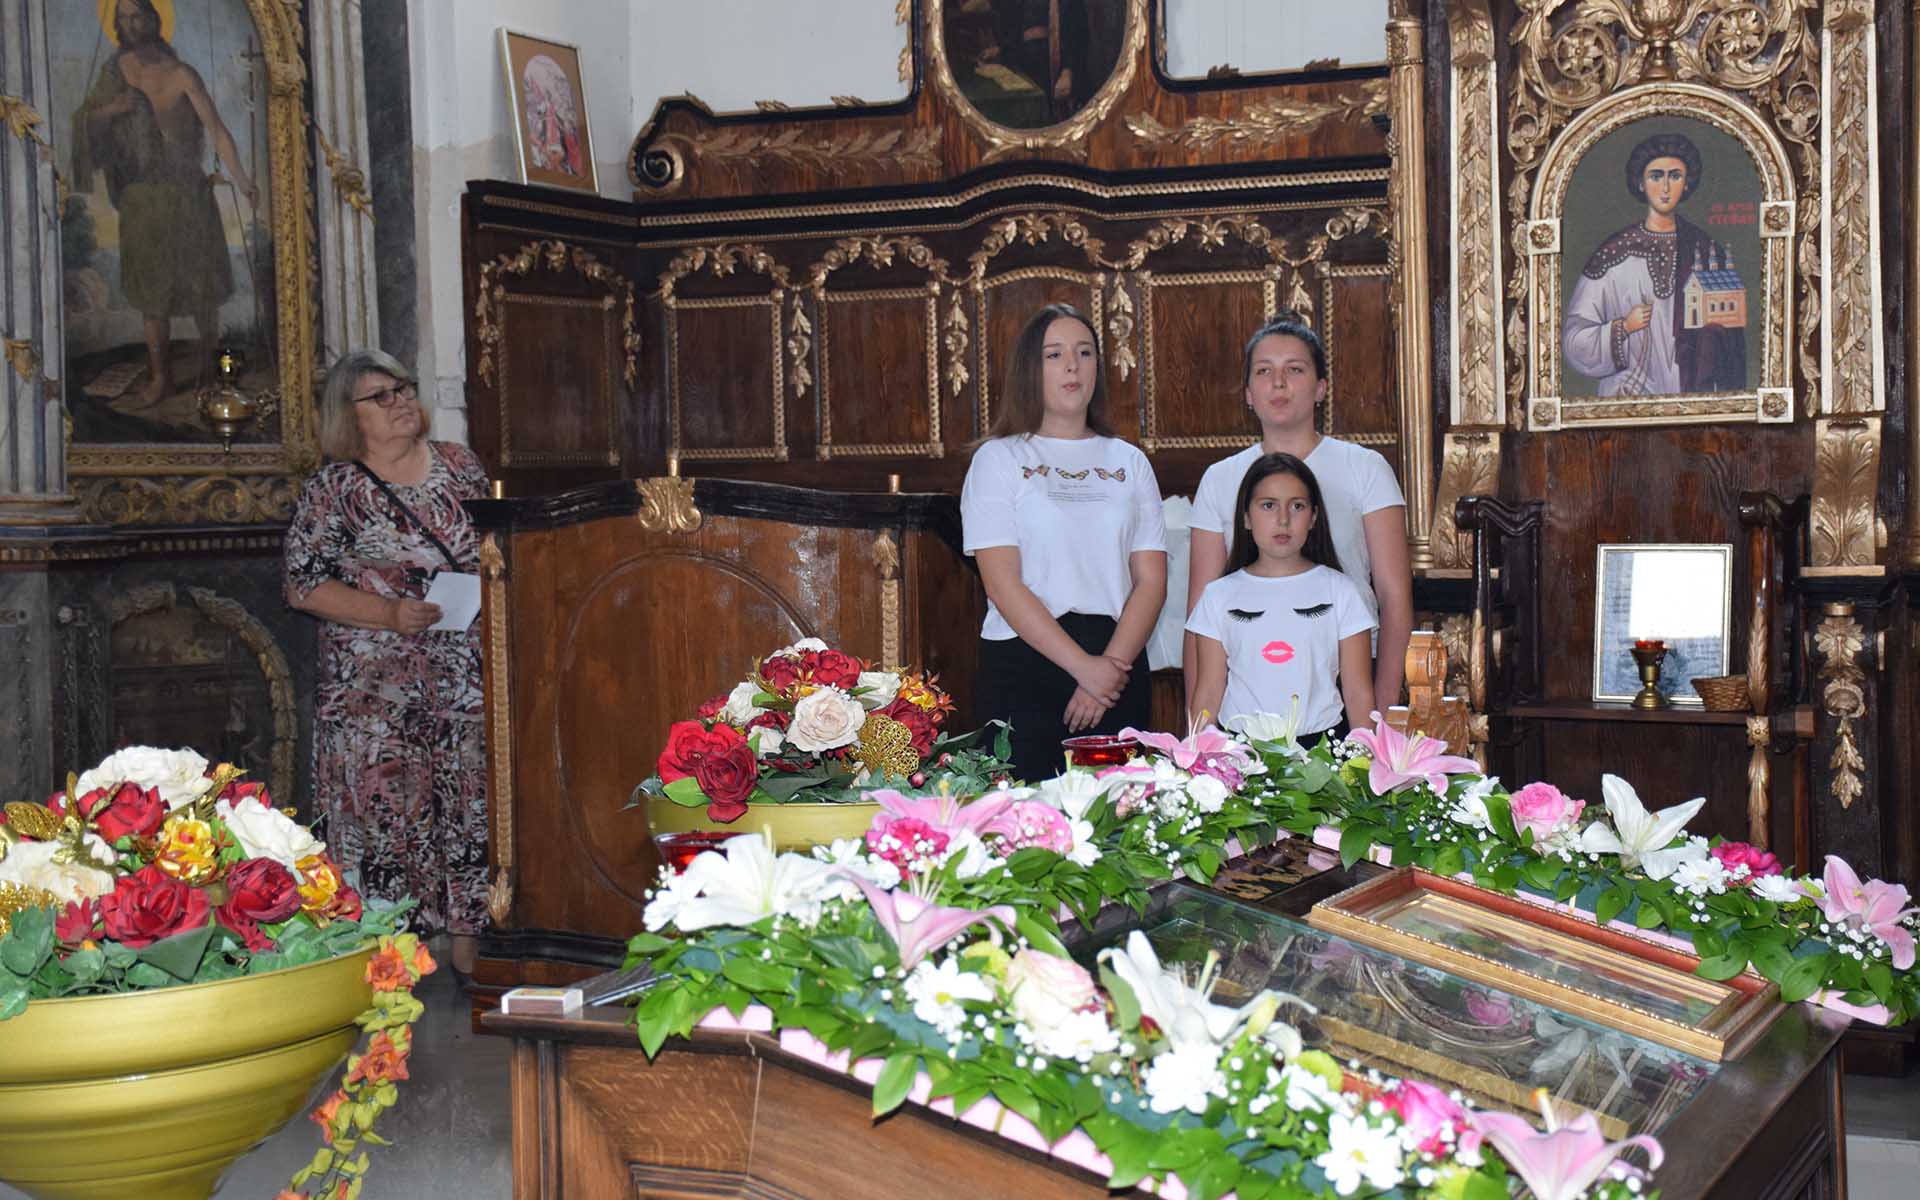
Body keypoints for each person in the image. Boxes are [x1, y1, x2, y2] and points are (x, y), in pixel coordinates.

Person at [283, 350, 490, 977]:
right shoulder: (333, 490)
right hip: (374, 697)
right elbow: (302, 586)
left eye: (402, 388)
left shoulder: (461, 466)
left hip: (465, 682)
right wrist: (390, 614)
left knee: (469, 808)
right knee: (387, 819)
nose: (400, 401)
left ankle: (472, 950)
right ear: (350, 417)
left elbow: (496, 547)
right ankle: (391, 959)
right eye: (381, 395)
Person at [962, 303, 1168, 781]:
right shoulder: (998, 459)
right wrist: (1082, 668)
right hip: (1025, 661)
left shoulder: (1130, 461)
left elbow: (1151, 582)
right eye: (1054, 355)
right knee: (1024, 815)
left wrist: (1107, 670)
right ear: (1029, 370)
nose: (1072, 366)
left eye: (1084, 352)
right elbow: (1002, 584)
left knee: (1117, 816)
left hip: (1116, 665)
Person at [1185, 315, 1412, 711]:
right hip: (1248, 682)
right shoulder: (1220, 478)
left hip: (1346, 675)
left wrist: (1383, 706)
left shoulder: (1365, 468)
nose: (1279, 383)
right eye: (1264, 371)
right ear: (1248, 394)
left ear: (1321, 387)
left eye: (1294, 369)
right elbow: (1200, 613)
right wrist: (1197, 726)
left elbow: (1394, 597)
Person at [70, 0, 259, 409]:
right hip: (141, 198)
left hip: (188, 193)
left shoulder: (181, 74)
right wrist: (114, 109)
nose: (131, 25)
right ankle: (161, 378)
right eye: (123, 19)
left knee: (202, 286)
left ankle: (208, 367)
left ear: (154, 19)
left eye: (137, 16)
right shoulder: (114, 73)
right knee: (150, 291)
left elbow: (217, 130)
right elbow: (86, 119)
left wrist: (244, 181)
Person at [1186, 454, 1375, 739]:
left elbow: (1358, 692)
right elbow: (1209, 691)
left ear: (1313, 517)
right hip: (1240, 752)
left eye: (1297, 506)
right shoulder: (1218, 595)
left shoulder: (1341, 591)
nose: (1283, 519)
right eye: (1268, 505)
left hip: (1322, 750)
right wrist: (1194, 756)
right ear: (1246, 517)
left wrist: (1366, 759)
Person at [1563, 131, 1747, 395]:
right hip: (1628, 397)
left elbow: (1733, 339)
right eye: (1656, 176)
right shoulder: (1613, 254)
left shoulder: (1707, 251)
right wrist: (1623, 327)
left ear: (1687, 183)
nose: (1665, 187)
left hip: (1694, 397)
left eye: (1675, 176)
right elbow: (1574, 339)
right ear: (1641, 183)